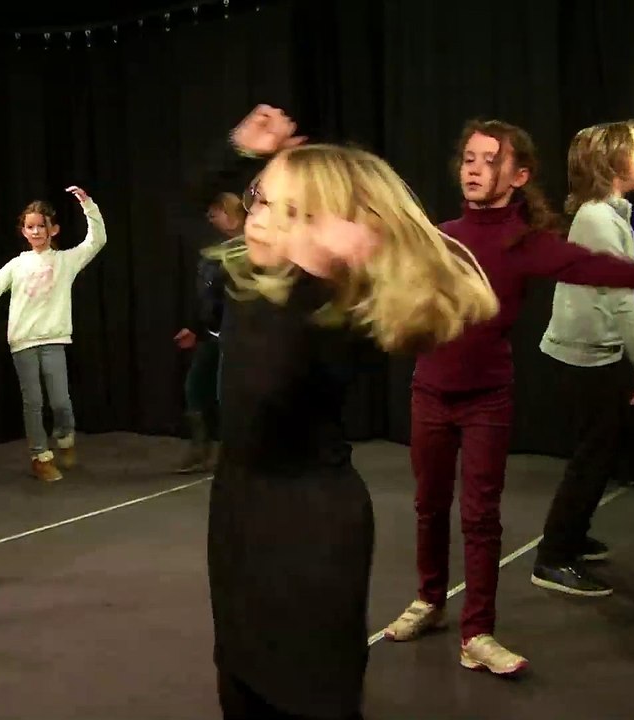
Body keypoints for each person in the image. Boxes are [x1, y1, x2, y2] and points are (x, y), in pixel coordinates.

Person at [205, 105, 499, 720]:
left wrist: (319, 266)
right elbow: (190, 214)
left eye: (284, 209)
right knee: (240, 687)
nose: (255, 218)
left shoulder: (329, 312)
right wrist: (241, 153)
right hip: (239, 520)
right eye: (258, 199)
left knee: (306, 697)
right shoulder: (268, 289)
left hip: (309, 535)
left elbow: (258, 400)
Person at [383, 119, 634, 675]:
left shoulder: (526, 242)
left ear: (519, 175)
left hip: (488, 399)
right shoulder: (442, 234)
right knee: (430, 505)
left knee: (482, 518)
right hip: (430, 393)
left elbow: (598, 269)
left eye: (489, 159)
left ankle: (478, 634)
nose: (474, 168)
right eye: (468, 158)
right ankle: (430, 600)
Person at [534, 119, 634, 597]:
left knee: (600, 452)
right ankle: (552, 557)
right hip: (582, 357)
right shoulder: (596, 218)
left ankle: (571, 535)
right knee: (592, 457)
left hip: (596, 352)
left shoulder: (610, 215)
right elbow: (620, 296)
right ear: (610, 161)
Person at [0, 187, 107, 482]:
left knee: (60, 402)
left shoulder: (65, 261)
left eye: (40, 226)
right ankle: (40, 456)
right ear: (23, 231)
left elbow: (97, 240)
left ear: (52, 229)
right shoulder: (18, 264)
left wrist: (88, 205)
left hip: (53, 339)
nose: (35, 231)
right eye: (29, 227)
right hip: (23, 341)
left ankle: (65, 437)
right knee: (33, 402)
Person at [173, 190, 245, 473]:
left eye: (217, 212)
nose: (212, 217)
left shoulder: (249, 249)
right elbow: (204, 294)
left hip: (236, 334)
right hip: (212, 333)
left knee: (225, 393)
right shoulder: (212, 250)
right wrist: (193, 326)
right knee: (195, 387)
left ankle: (234, 452)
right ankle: (200, 448)